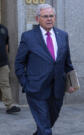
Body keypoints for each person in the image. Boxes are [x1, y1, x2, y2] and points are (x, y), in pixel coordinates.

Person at [15, 4, 76, 135]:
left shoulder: (62, 35)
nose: (49, 19)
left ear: (55, 18)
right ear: (38, 19)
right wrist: (26, 84)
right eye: (45, 16)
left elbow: (67, 62)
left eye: (51, 16)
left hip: (58, 89)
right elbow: (19, 63)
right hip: (36, 90)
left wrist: (71, 83)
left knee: (48, 123)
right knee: (45, 128)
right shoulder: (28, 37)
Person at [0, 9, 20, 114]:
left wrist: (6, 59)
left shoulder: (4, 29)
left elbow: (6, 45)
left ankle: (9, 106)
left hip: (2, 63)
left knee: (5, 84)